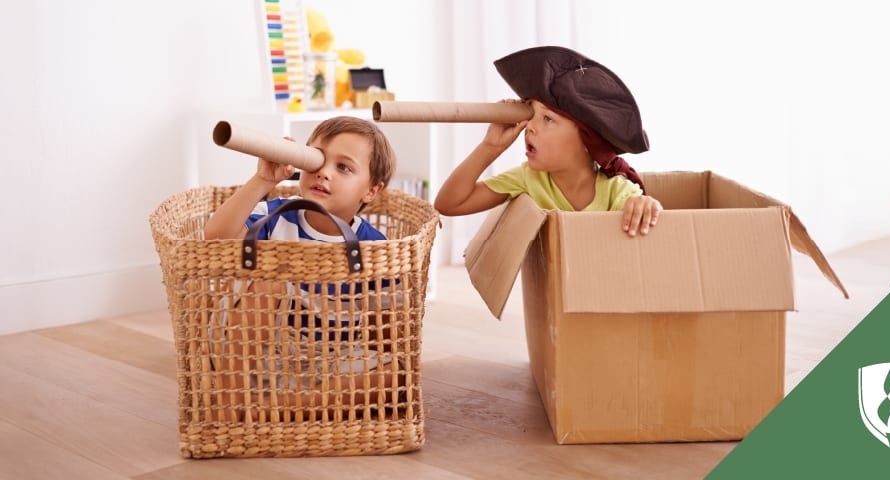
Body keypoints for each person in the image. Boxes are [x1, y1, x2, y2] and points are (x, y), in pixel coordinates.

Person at [203, 116, 402, 421]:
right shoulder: (275, 216)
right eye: (317, 160)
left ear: (371, 191)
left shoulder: (373, 247)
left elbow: (384, 326)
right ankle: (232, 403)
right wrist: (264, 181)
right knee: (271, 283)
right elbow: (216, 238)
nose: (323, 173)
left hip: (332, 357)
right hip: (258, 351)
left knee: (397, 374)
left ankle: (284, 408)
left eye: (343, 167)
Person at [434, 46, 662, 236]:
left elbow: (647, 218)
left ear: (587, 140)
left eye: (548, 119)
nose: (529, 127)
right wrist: (491, 147)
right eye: (530, 115)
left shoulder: (617, 190)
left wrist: (644, 204)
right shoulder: (527, 178)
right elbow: (448, 204)